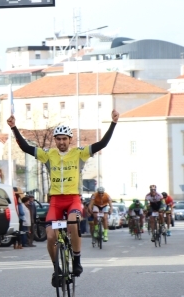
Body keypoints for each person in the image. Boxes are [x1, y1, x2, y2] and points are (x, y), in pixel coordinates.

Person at [7, 109, 119, 287]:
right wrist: (14, 128)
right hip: (56, 202)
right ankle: (56, 268)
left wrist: (113, 123)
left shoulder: (79, 153)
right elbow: (26, 148)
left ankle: (76, 259)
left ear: (69, 140)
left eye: (64, 139)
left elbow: (102, 144)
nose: (61, 142)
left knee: (73, 223)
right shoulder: (48, 154)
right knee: (51, 236)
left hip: (73, 198)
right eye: (58, 139)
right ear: (55, 141)